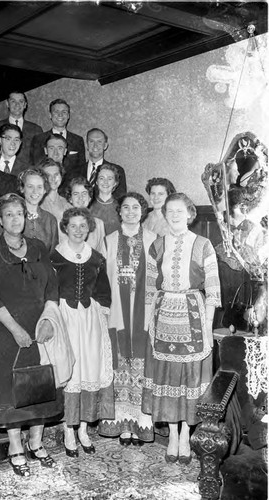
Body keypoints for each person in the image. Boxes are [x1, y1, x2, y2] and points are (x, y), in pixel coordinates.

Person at [0, 193, 63, 477]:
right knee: (11, 391)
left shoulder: (39, 246)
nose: (16, 219)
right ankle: (16, 446)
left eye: (20, 213)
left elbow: (52, 287)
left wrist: (49, 319)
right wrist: (14, 329)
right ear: (0, 221)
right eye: (10, 214)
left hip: (39, 328)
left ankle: (36, 443)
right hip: (4, 331)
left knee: (38, 385)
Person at [142, 193, 221, 464]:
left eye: (180, 210)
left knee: (189, 376)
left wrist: (208, 327)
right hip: (163, 314)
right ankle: (173, 434)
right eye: (170, 210)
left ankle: (186, 434)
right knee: (168, 375)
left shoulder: (203, 244)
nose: (175, 215)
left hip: (193, 315)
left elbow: (212, 290)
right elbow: (150, 287)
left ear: (190, 214)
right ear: (165, 214)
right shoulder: (157, 245)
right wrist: (148, 322)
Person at [51, 207, 114, 457]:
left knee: (89, 368)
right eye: (73, 225)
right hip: (65, 317)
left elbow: (103, 290)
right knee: (71, 370)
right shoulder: (54, 256)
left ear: (89, 229)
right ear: (65, 227)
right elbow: (49, 290)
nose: (78, 230)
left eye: (83, 226)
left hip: (89, 319)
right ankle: (69, 428)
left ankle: (84, 428)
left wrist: (103, 313)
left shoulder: (96, 257)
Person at [99, 193, 157, 446]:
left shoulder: (155, 240)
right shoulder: (108, 241)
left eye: (136, 207)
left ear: (143, 212)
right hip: (118, 313)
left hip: (145, 314)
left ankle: (142, 423)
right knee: (119, 365)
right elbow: (101, 280)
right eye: (126, 208)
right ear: (119, 212)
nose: (131, 212)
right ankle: (123, 424)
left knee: (143, 367)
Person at [30, 99, 85, 184]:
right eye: (56, 112)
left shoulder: (78, 140)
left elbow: (81, 169)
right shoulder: (38, 139)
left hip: (70, 188)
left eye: (64, 112)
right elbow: (35, 166)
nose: (60, 115)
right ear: (50, 115)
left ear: (68, 115)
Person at [0, 90, 43, 165]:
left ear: (25, 105)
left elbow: (39, 158)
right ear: (7, 104)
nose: (17, 105)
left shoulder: (36, 130)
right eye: (13, 101)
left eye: (21, 101)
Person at [19, 168, 59, 254]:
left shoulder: (50, 220)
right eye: (30, 186)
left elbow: (53, 255)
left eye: (39, 187)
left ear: (45, 190)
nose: (35, 191)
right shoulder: (9, 215)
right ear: (22, 188)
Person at [81, 128, 127, 199]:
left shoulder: (117, 170)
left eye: (99, 142)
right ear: (87, 145)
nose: (95, 145)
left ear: (105, 145)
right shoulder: (75, 171)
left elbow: (120, 198)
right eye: (91, 141)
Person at [66, 176, 106, 256]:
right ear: (70, 199)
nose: (80, 198)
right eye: (76, 194)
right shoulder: (63, 222)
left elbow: (102, 255)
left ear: (90, 197)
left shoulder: (99, 224)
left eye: (84, 193)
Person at [90, 163, 121, 236]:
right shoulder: (89, 207)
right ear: (97, 182)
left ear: (115, 183)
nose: (105, 182)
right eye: (101, 178)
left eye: (110, 179)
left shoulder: (121, 208)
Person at [40, 158, 72, 227]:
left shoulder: (67, 204)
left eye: (56, 174)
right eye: (48, 175)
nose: (53, 178)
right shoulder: (37, 203)